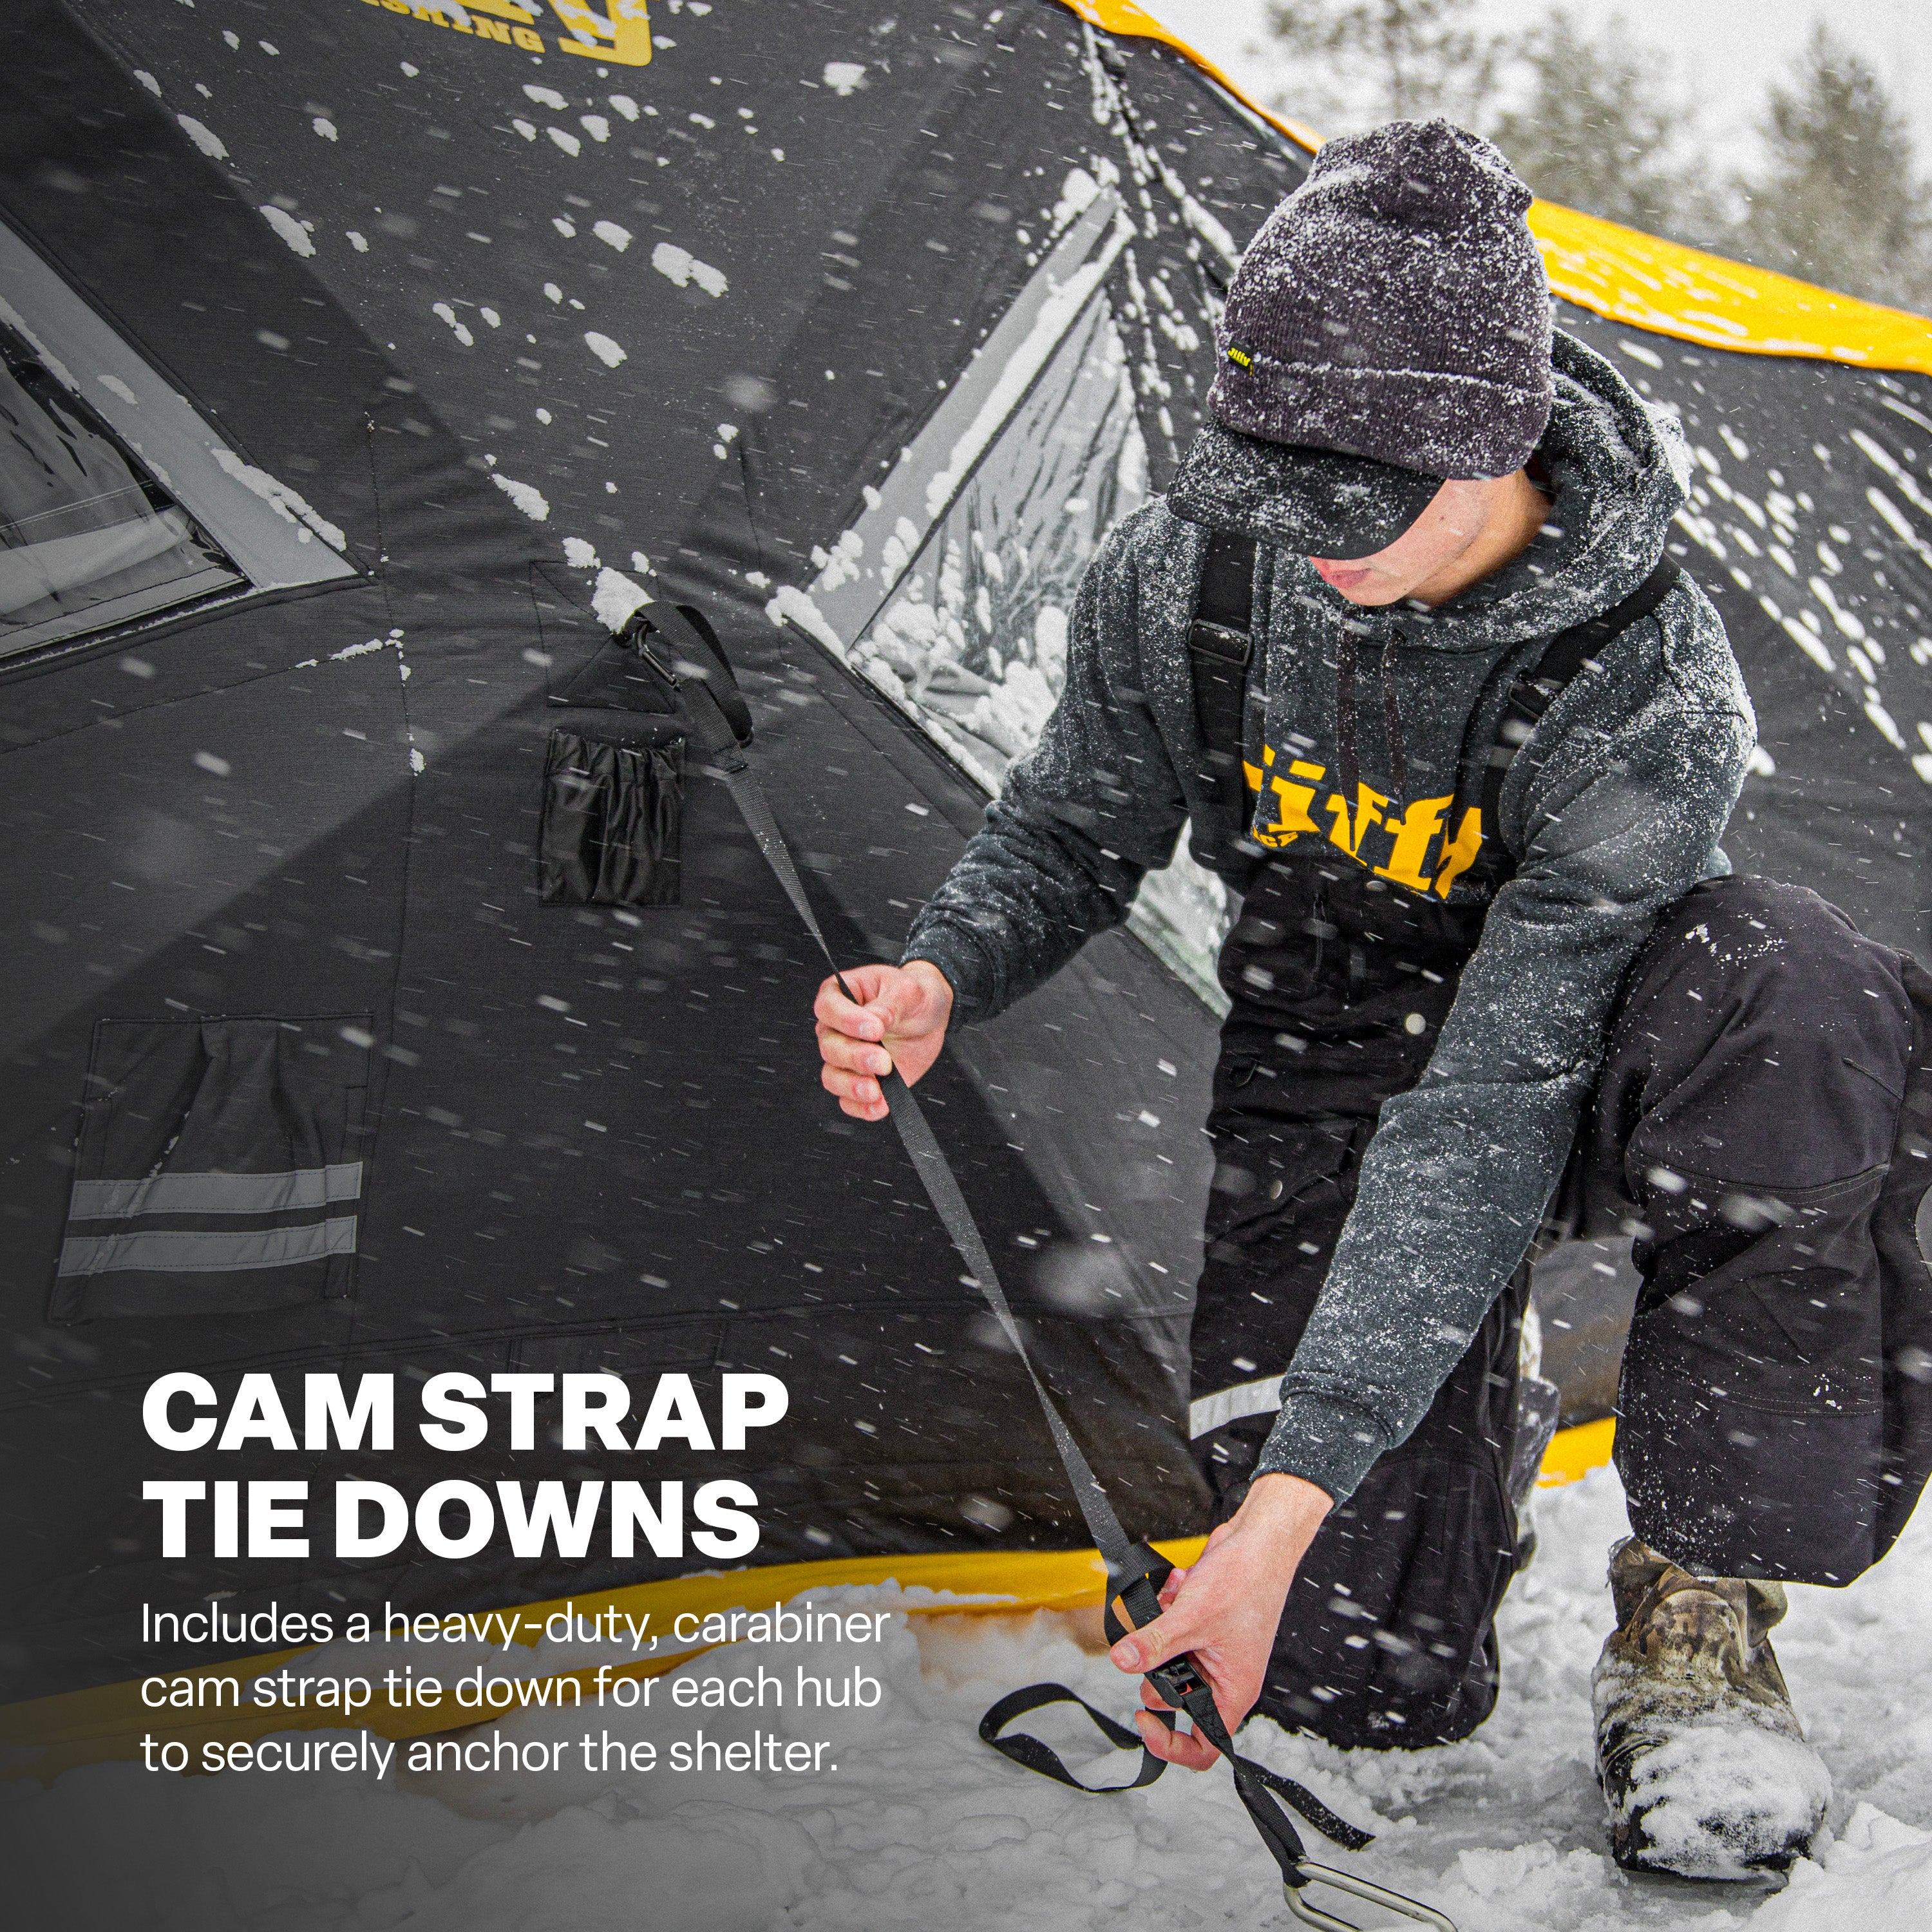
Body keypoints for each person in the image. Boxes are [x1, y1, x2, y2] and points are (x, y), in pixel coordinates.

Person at [813, 120, 1929, 1880]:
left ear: (1494, 448)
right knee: (1341, 1668)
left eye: (1358, 506)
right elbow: (1071, 822)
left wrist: (1307, 1462)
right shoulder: (1199, 572)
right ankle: (1437, 1485)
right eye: (1277, 492)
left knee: (1794, 993)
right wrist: (952, 964)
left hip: (1588, 1051)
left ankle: (1699, 1605)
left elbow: (1496, 1107)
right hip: (1329, 1039)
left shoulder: (1646, 685)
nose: (1306, 543)